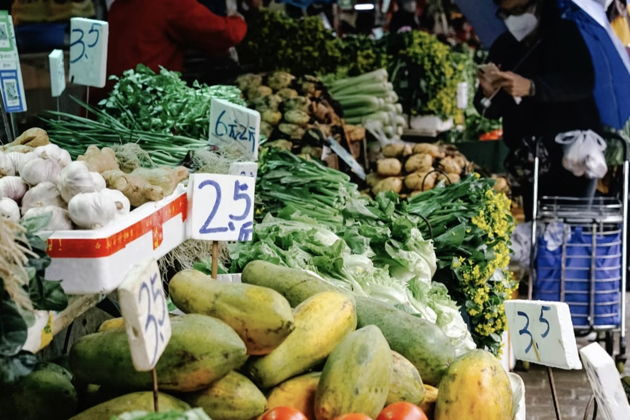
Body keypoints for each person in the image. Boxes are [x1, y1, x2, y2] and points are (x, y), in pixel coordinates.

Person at [474, 0, 602, 219]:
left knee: (572, 226)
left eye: (518, 10)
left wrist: (533, 87)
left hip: (571, 155)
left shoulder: (566, 35)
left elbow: (582, 83)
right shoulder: (504, 46)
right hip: (528, 159)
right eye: (505, 13)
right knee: (535, 225)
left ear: (538, 5)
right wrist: (488, 94)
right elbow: (489, 110)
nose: (512, 19)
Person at [93, 0, 247, 101]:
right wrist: (238, 20)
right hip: (141, 100)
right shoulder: (170, 3)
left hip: (107, 97)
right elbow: (225, 34)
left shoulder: (120, 4)